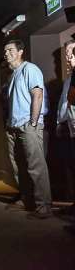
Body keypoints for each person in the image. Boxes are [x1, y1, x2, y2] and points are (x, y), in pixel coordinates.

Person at [3, 39, 52, 219]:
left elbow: (37, 95)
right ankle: (28, 200)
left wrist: (32, 123)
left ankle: (44, 206)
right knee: (19, 166)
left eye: (10, 50)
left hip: (28, 125)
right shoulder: (13, 74)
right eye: (5, 51)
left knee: (36, 166)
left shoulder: (29, 69)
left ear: (20, 51)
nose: (6, 53)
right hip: (14, 126)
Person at [61, 41, 75, 234]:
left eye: (71, 54)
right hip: (71, 128)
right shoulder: (70, 78)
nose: (68, 58)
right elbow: (66, 103)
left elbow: (72, 98)